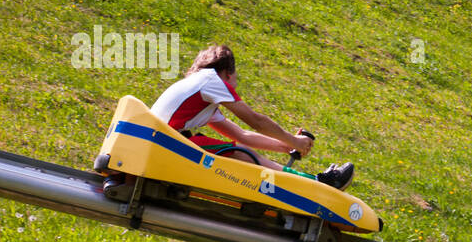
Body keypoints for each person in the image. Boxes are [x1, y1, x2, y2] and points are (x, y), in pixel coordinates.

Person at [149, 44, 355, 190]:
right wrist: (293, 140)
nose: (235, 83)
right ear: (228, 73)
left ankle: (311, 183)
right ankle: (314, 185)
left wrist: (286, 145)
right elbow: (256, 122)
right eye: (236, 76)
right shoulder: (212, 81)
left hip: (162, 141)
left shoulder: (201, 93)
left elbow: (243, 135)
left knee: (241, 149)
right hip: (164, 143)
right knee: (240, 153)